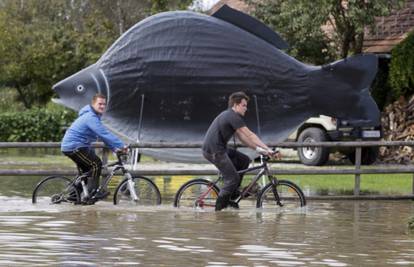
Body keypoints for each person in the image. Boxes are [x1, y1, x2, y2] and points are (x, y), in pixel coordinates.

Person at [202, 91, 280, 211]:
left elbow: (244, 139)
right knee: (232, 178)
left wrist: (260, 150)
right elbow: (250, 135)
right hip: (214, 151)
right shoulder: (232, 116)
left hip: (220, 149)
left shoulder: (232, 117)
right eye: (243, 105)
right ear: (235, 105)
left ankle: (233, 194)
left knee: (244, 160)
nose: (246, 108)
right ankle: (219, 210)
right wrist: (268, 149)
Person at [61, 93, 127, 203]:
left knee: (87, 172)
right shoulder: (90, 117)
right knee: (96, 164)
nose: (102, 106)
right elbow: (105, 133)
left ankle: (73, 197)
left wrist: (115, 149)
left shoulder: (93, 117)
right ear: (93, 104)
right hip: (74, 146)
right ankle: (93, 193)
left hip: (74, 146)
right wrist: (121, 145)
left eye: (104, 104)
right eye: (99, 104)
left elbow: (103, 137)